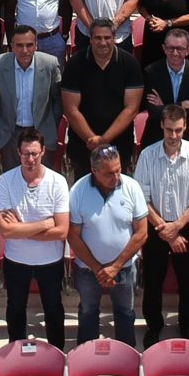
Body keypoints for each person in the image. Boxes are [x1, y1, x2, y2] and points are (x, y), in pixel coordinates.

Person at [134, 104, 189, 345]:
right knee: (153, 280)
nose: (174, 136)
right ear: (161, 126)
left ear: (185, 126)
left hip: (185, 226)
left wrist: (177, 225)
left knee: (187, 281)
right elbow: (141, 197)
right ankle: (154, 326)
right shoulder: (147, 155)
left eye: (178, 130)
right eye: (169, 130)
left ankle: (188, 326)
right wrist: (165, 230)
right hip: (155, 225)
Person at [0, 128, 71, 346]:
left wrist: (22, 228)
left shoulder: (58, 182)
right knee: (16, 308)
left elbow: (62, 231)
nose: (30, 159)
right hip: (16, 260)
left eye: (34, 154)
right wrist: (44, 224)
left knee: (53, 308)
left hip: (50, 261)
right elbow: (5, 231)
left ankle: (57, 355)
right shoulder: (5, 181)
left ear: (43, 152)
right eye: (26, 154)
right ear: (18, 153)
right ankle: (16, 354)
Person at [69, 145, 149, 345]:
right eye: (109, 174)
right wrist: (99, 269)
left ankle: (125, 355)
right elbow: (73, 236)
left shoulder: (131, 187)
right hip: (88, 270)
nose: (116, 177)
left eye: (118, 170)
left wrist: (115, 266)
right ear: (94, 171)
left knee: (125, 312)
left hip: (124, 267)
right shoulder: (78, 190)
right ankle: (86, 357)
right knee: (88, 311)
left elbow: (141, 233)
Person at [62, 19, 143, 178]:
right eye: (98, 38)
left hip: (119, 144)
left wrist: (104, 140)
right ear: (90, 39)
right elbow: (71, 110)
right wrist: (93, 141)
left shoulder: (130, 64)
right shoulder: (74, 64)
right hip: (83, 145)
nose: (103, 42)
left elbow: (131, 108)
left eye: (107, 37)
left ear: (114, 38)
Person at [0, 25, 63, 171]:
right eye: (19, 45)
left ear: (36, 45)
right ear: (12, 46)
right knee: (12, 180)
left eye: (29, 45)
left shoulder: (50, 64)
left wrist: (50, 124)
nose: (24, 51)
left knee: (41, 181)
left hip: (40, 132)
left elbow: (57, 100)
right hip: (9, 134)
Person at [142, 26, 189, 147]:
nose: (175, 53)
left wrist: (165, 105)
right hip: (158, 135)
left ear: (188, 50)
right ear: (164, 49)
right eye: (171, 48)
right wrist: (182, 105)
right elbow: (153, 112)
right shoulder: (151, 71)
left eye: (180, 49)